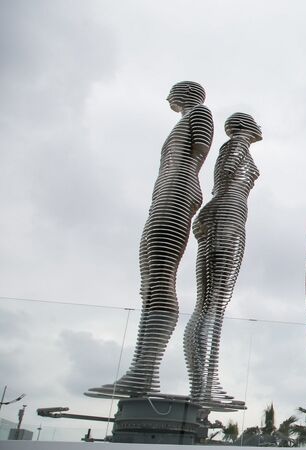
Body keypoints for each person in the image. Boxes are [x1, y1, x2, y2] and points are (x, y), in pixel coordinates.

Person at [87, 81, 213, 398]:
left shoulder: (200, 114)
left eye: (174, 92)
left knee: (159, 278)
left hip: (179, 189)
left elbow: (198, 153)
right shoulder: (185, 119)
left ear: (183, 95)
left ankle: (144, 372)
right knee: (149, 282)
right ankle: (140, 370)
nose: (169, 97)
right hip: (165, 191)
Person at [183, 113, 261, 410]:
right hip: (226, 216)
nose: (259, 127)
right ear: (244, 127)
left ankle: (207, 383)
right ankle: (202, 385)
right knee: (211, 305)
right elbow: (225, 181)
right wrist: (209, 215)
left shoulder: (238, 147)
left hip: (230, 215)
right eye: (253, 122)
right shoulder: (236, 145)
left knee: (213, 305)